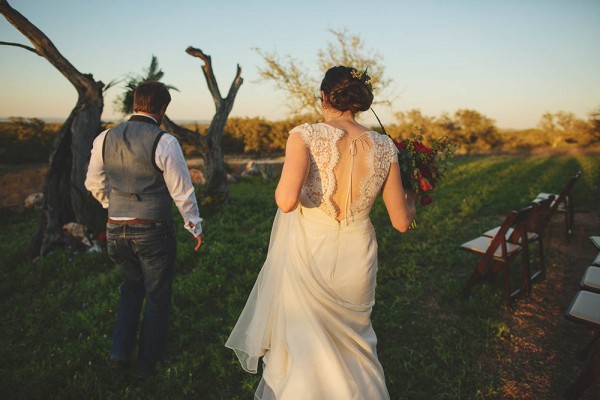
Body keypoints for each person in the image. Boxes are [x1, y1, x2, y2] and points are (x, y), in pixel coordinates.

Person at [226, 66, 416, 399]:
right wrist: (414, 196)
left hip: (311, 252)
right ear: (357, 100)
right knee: (355, 344)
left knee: (304, 346)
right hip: (358, 254)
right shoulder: (385, 146)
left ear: (325, 97)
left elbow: (286, 201)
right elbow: (401, 221)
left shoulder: (305, 135)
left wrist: (306, 191)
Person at [85, 81, 203, 378]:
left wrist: (112, 207)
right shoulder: (164, 141)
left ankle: (119, 354)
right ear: (162, 109)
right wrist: (194, 226)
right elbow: (182, 192)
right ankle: (148, 365)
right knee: (157, 295)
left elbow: (93, 183)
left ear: (135, 103)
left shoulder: (104, 138)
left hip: (115, 228)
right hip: (152, 230)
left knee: (130, 287)